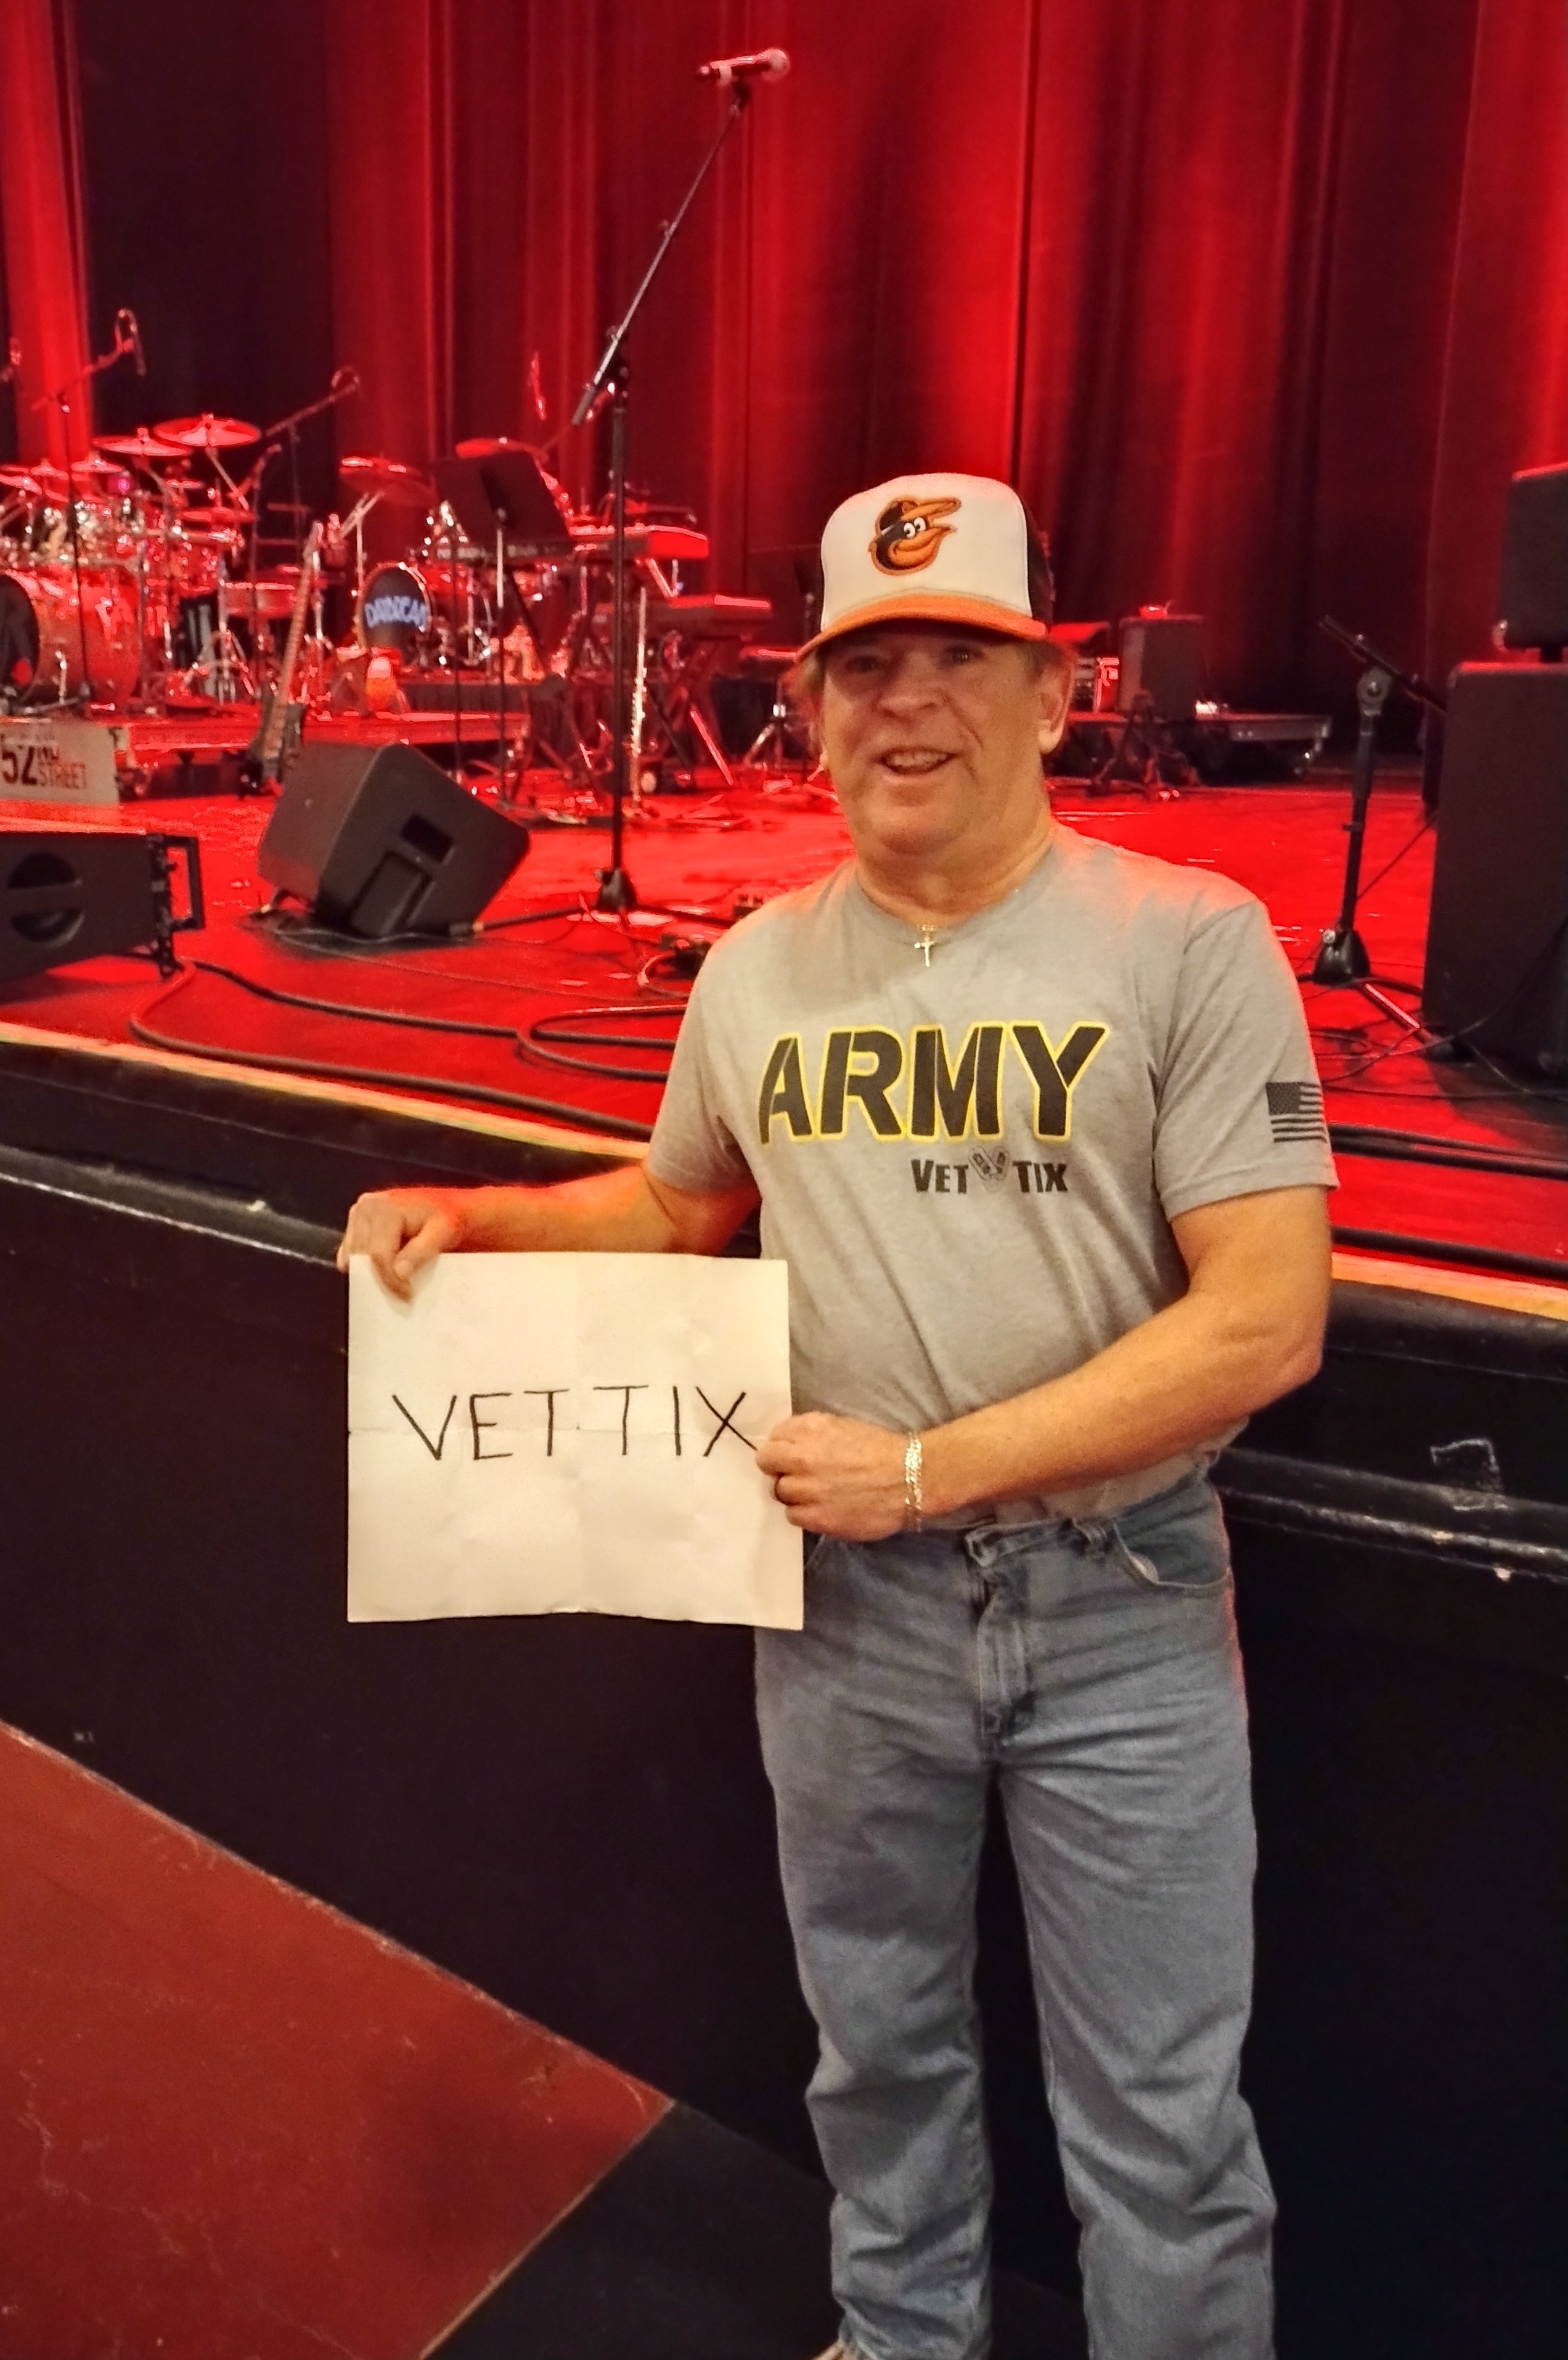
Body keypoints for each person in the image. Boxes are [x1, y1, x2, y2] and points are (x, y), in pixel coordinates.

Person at [339, 470, 1334, 2360]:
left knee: (1162, 2123)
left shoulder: (1187, 940)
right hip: (850, 1616)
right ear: (807, 705)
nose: (908, 701)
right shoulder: (758, 967)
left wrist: (926, 1470)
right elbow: (679, 1208)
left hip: (1115, 1599)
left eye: (960, 654)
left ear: (1054, 693)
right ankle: (900, 2342)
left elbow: (1267, 1320)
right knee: (876, 2054)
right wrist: (475, 1213)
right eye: (866, 665)